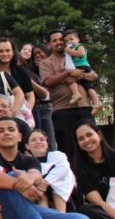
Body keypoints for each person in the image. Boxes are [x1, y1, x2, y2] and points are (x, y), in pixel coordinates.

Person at [39, 30, 98, 158]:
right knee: (68, 148)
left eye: (61, 40)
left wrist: (81, 75)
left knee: (91, 147)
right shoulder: (46, 62)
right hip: (63, 110)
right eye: (54, 40)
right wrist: (68, 73)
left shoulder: (77, 57)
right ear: (49, 44)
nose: (59, 42)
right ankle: (72, 178)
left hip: (84, 107)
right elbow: (48, 81)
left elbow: (94, 75)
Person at [27, 129, 75, 212]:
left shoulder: (56, 155)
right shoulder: (27, 162)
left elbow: (63, 169)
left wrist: (43, 184)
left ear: (47, 143)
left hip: (63, 200)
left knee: (60, 176)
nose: (38, 142)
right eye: (33, 140)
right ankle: (46, 215)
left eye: (42, 139)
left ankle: (60, 215)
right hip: (40, 197)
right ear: (27, 146)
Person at [64, 31, 101, 112]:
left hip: (81, 66)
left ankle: (76, 94)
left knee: (70, 78)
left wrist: (70, 52)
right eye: (66, 41)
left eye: (71, 39)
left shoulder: (79, 46)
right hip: (84, 68)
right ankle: (96, 103)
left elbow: (81, 54)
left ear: (78, 39)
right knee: (89, 86)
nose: (69, 42)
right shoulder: (71, 49)